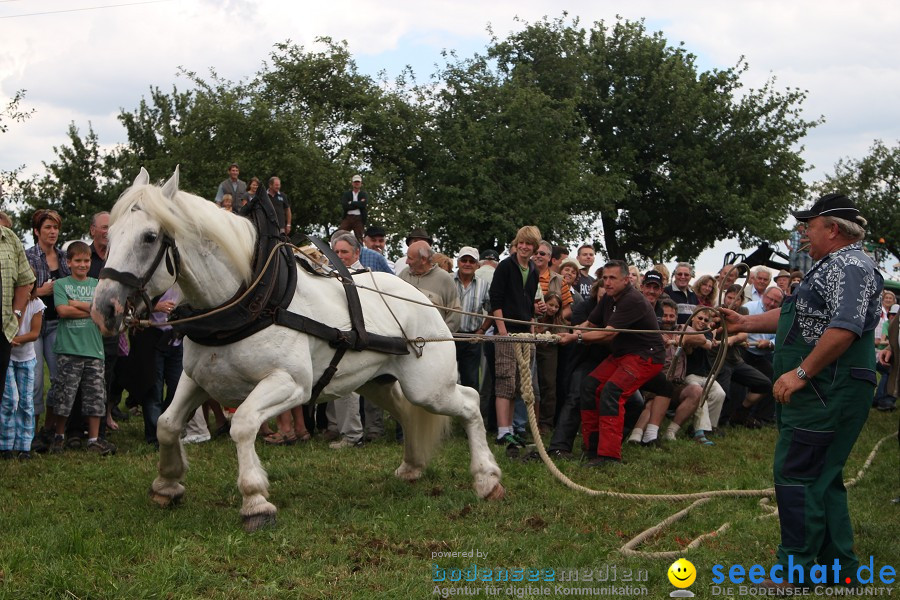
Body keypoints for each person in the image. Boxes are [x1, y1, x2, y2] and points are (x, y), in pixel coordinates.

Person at [721, 193, 883, 587]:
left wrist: (801, 373)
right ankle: (838, 570)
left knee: (797, 472)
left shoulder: (849, 266)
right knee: (822, 474)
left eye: (809, 226)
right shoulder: (835, 266)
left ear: (832, 228)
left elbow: (843, 327)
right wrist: (742, 321)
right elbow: (797, 315)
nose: (803, 234)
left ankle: (796, 572)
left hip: (829, 386)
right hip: (830, 386)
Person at [558, 260, 665, 465]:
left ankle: (609, 455)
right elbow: (590, 323)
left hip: (646, 356)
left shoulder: (632, 300)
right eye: (604, 278)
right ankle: (592, 447)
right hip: (623, 354)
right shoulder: (608, 298)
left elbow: (608, 334)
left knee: (612, 392)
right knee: (589, 386)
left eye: (612, 278)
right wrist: (566, 333)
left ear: (626, 280)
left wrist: (574, 338)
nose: (607, 282)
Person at [46, 242, 116, 455]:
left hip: (94, 350)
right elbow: (62, 311)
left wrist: (75, 303)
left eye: (86, 260)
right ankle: (59, 436)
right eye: (78, 261)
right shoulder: (60, 284)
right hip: (69, 350)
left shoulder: (98, 283)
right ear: (68, 262)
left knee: (95, 397)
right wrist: (91, 310)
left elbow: (103, 309)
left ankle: (93, 439)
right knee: (64, 397)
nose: (83, 264)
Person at [489, 226, 542, 450]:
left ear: (534, 248)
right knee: (505, 380)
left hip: (524, 332)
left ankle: (510, 428)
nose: (524, 247)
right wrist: (502, 331)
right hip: (507, 330)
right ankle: (502, 431)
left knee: (519, 383)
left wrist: (532, 331)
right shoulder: (505, 266)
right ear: (517, 243)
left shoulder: (532, 269)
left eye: (529, 244)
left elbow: (530, 304)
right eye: (521, 242)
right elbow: (495, 300)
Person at [25, 209, 69, 443]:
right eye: (47, 228)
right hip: (34, 323)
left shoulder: (63, 257)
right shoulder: (28, 256)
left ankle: (49, 428)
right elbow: (19, 291)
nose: (52, 232)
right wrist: (41, 291)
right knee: (34, 380)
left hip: (56, 323)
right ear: (36, 231)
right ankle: (30, 432)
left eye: (55, 228)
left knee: (58, 377)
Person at [0, 278, 42, 460]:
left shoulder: (37, 304)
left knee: (26, 401)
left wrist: (14, 340)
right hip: (7, 357)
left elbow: (35, 333)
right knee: (10, 399)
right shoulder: (5, 305)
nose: (27, 288)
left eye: (31, 284)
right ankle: (5, 444)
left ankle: (24, 445)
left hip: (26, 357)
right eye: (22, 284)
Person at [399, 241, 461, 334]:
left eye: (410, 258)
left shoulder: (445, 279)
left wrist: (441, 337)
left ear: (423, 259)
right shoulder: (404, 274)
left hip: (432, 343)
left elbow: (455, 315)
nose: (406, 262)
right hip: (403, 341)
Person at [453, 247, 491, 391]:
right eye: (464, 260)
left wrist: (482, 330)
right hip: (450, 336)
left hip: (472, 338)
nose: (467, 264)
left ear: (477, 265)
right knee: (446, 377)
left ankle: (470, 411)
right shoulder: (448, 280)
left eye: (471, 261)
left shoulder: (484, 285)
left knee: (471, 380)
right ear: (458, 262)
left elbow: (492, 309)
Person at [339, 174, 368, 241]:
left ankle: (360, 251)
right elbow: (345, 206)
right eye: (355, 182)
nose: (357, 183)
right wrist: (358, 204)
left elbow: (363, 205)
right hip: (348, 217)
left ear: (361, 183)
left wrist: (351, 202)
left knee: (359, 237)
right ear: (352, 183)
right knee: (340, 234)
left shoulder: (363, 194)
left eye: (358, 182)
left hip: (359, 218)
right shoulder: (347, 194)